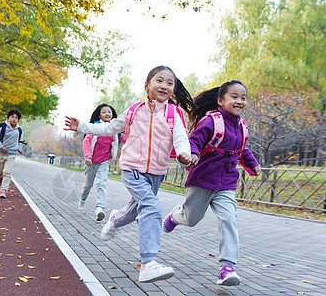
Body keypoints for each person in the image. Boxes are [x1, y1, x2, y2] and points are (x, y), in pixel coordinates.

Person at [65, 65, 195, 283]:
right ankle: (148, 263)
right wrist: (82, 127)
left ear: (173, 89)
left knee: (135, 210)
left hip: (156, 172)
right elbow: (109, 128)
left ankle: (115, 220)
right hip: (132, 168)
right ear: (147, 85)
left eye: (169, 83)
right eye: (159, 81)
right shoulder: (135, 110)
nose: (164, 86)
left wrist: (184, 153)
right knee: (151, 206)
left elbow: (181, 137)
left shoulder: (174, 114)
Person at [162, 80, 261, 286]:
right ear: (220, 101)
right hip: (202, 179)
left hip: (226, 182)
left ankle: (227, 267)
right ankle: (175, 215)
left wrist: (252, 165)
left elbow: (242, 149)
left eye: (243, 98)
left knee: (229, 220)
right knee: (191, 219)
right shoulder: (212, 121)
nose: (239, 101)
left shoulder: (242, 126)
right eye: (234, 97)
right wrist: (194, 154)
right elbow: (195, 141)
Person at [80, 104, 122, 222]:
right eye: (104, 112)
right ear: (99, 115)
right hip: (91, 161)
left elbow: (123, 138)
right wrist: (87, 156)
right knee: (88, 185)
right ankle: (83, 200)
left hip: (104, 160)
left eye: (109, 112)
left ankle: (100, 208)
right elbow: (86, 141)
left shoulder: (114, 130)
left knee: (101, 183)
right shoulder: (95, 127)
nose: (107, 114)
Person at [0, 109, 24, 199]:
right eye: (12, 117)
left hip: (12, 154)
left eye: (16, 118)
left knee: (7, 172)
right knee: (0, 172)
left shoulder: (18, 130)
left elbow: (16, 142)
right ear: (8, 118)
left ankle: (3, 190)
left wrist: (18, 149)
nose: (14, 119)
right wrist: (1, 147)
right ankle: (1, 179)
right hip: (2, 154)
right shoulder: (3, 127)